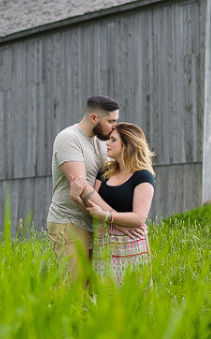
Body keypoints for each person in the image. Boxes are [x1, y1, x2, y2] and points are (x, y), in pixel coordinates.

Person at [47, 96, 142, 282]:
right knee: (73, 290)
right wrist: (118, 220)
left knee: (93, 293)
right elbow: (83, 189)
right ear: (94, 118)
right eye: (111, 122)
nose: (114, 127)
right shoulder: (69, 139)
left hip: (97, 225)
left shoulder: (101, 141)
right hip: (71, 223)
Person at [71, 122, 155, 285]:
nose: (107, 143)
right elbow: (93, 209)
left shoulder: (143, 176)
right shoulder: (105, 171)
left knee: (132, 298)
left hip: (130, 245)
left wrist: (106, 216)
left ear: (127, 145)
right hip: (104, 244)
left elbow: (139, 217)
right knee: (105, 299)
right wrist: (76, 197)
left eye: (113, 140)